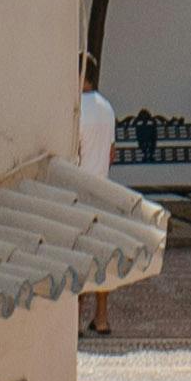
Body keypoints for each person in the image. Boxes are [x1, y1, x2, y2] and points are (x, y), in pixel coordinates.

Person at [81, 64, 121, 336]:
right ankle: (102, 317)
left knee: (78, 257)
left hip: (79, 191)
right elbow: (110, 153)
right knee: (103, 257)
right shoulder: (107, 108)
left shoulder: (75, 111)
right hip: (103, 188)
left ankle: (74, 320)